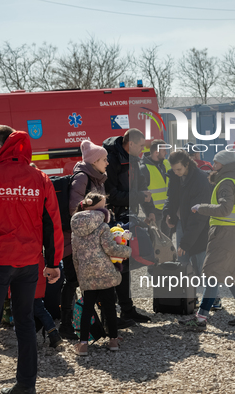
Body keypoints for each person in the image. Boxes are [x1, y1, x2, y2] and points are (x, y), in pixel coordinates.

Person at [0, 125, 63, 394]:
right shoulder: (40, 178)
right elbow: (52, 222)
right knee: (25, 322)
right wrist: (52, 262)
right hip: (29, 264)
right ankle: (26, 385)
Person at [178, 150, 235, 330]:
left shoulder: (226, 183)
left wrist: (201, 207)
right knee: (234, 275)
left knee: (212, 275)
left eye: (216, 163)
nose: (213, 166)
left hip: (224, 234)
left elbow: (224, 209)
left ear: (225, 164)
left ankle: (200, 319)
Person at [59, 140, 112, 339]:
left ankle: (99, 326)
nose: (107, 163)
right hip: (73, 241)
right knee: (72, 281)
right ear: (95, 160)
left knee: (93, 282)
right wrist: (103, 213)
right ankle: (66, 325)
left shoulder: (98, 178)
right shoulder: (82, 178)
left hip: (88, 240)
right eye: (104, 159)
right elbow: (75, 209)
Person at [71, 193, 131, 356]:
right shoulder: (103, 227)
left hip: (86, 273)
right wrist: (127, 250)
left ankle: (83, 344)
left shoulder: (75, 227)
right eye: (103, 206)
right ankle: (113, 340)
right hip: (105, 272)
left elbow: (75, 256)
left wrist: (80, 275)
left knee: (87, 308)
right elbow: (110, 249)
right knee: (109, 306)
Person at [103, 128, 153, 323]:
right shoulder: (111, 159)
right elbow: (111, 195)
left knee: (124, 264)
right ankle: (115, 312)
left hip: (127, 218)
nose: (142, 150)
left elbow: (140, 187)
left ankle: (126, 309)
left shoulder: (134, 159)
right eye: (140, 146)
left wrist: (149, 210)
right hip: (113, 220)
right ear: (130, 143)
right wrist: (139, 197)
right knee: (116, 265)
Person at [162, 150, 211, 298]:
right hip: (183, 224)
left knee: (201, 264)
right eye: (174, 169)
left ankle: (214, 299)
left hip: (200, 228)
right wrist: (168, 213)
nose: (176, 172)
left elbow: (199, 218)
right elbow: (171, 197)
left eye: (179, 169)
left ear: (187, 164)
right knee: (183, 262)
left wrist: (186, 242)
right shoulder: (175, 176)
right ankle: (188, 298)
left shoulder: (201, 180)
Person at [140, 139, 170, 230]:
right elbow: (142, 193)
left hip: (167, 209)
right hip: (154, 212)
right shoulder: (144, 169)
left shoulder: (166, 163)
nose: (166, 153)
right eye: (164, 151)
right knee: (156, 241)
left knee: (167, 239)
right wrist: (149, 212)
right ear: (156, 153)